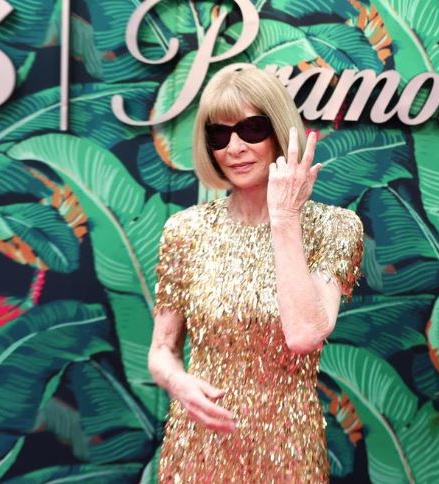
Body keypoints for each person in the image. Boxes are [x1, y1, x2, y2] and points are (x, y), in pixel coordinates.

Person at [147, 64, 364, 482]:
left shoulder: (334, 227)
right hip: (198, 448)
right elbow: (161, 350)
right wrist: (178, 382)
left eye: (251, 129)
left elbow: (303, 335)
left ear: (279, 131)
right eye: (219, 134)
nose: (234, 147)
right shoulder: (185, 231)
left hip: (287, 451)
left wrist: (285, 218)